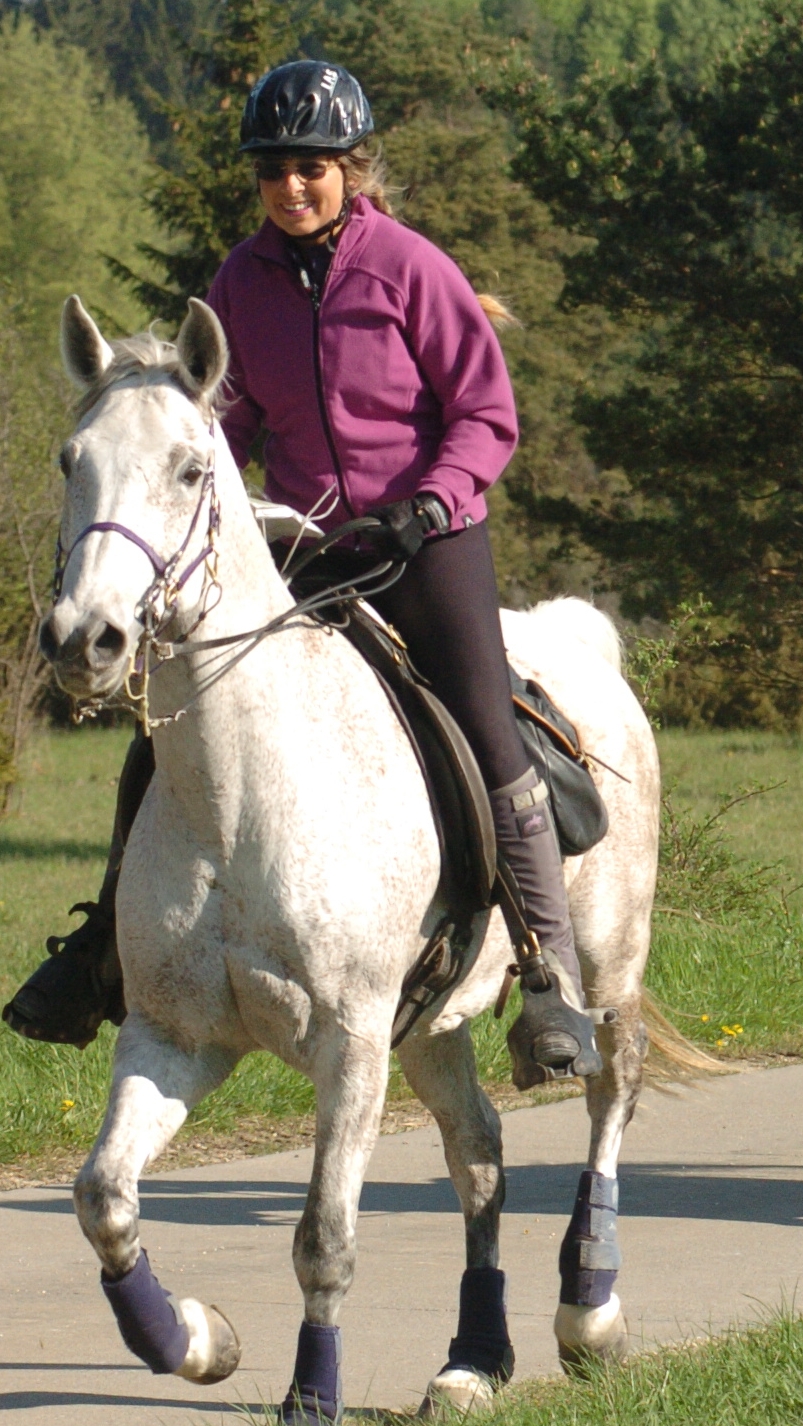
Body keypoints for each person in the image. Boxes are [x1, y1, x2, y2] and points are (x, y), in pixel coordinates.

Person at [3, 60, 601, 1088]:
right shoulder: (238, 282)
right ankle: (103, 947)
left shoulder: (411, 268)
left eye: (312, 168)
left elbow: (485, 417)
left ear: (352, 170)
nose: (291, 186)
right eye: (275, 169)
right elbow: (219, 429)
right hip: (304, 551)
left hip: (425, 538)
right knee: (173, 730)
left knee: (485, 723)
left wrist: (427, 504)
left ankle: (547, 972)